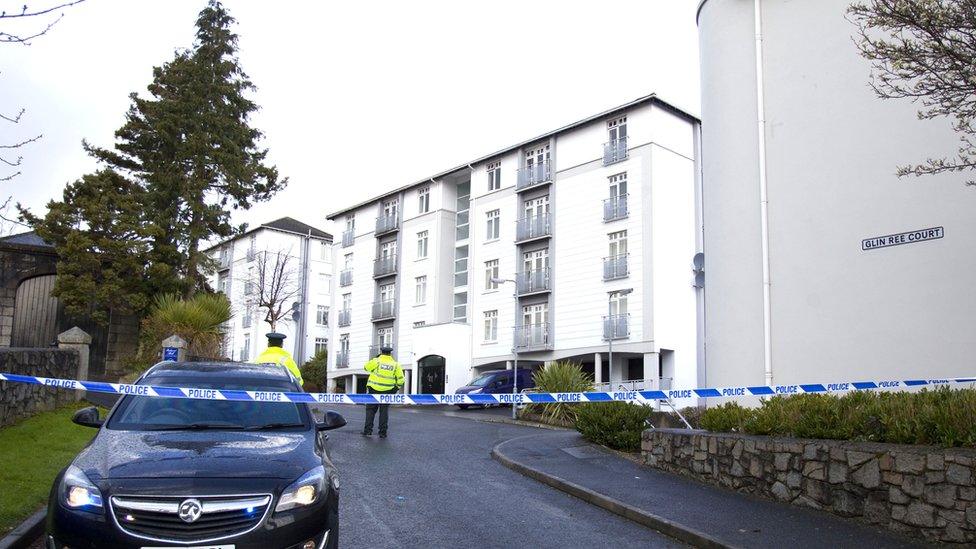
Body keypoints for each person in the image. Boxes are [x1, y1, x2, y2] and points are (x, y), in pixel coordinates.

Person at [361, 346, 404, 438]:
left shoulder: (376, 361)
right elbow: (401, 380)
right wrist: (395, 389)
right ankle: (382, 433)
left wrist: (375, 359)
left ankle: (367, 431)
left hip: (373, 390)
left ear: (381, 352)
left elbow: (365, 368)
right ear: (390, 353)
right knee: (384, 412)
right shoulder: (395, 364)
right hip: (388, 391)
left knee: (370, 410)